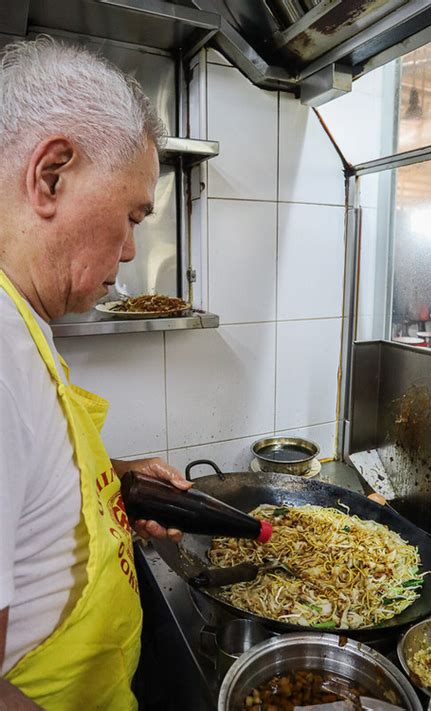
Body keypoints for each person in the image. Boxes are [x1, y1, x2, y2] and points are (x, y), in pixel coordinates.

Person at [0, 37, 191, 709]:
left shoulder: (21, 320)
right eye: (133, 213)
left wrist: (107, 480)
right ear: (51, 175)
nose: (134, 248)